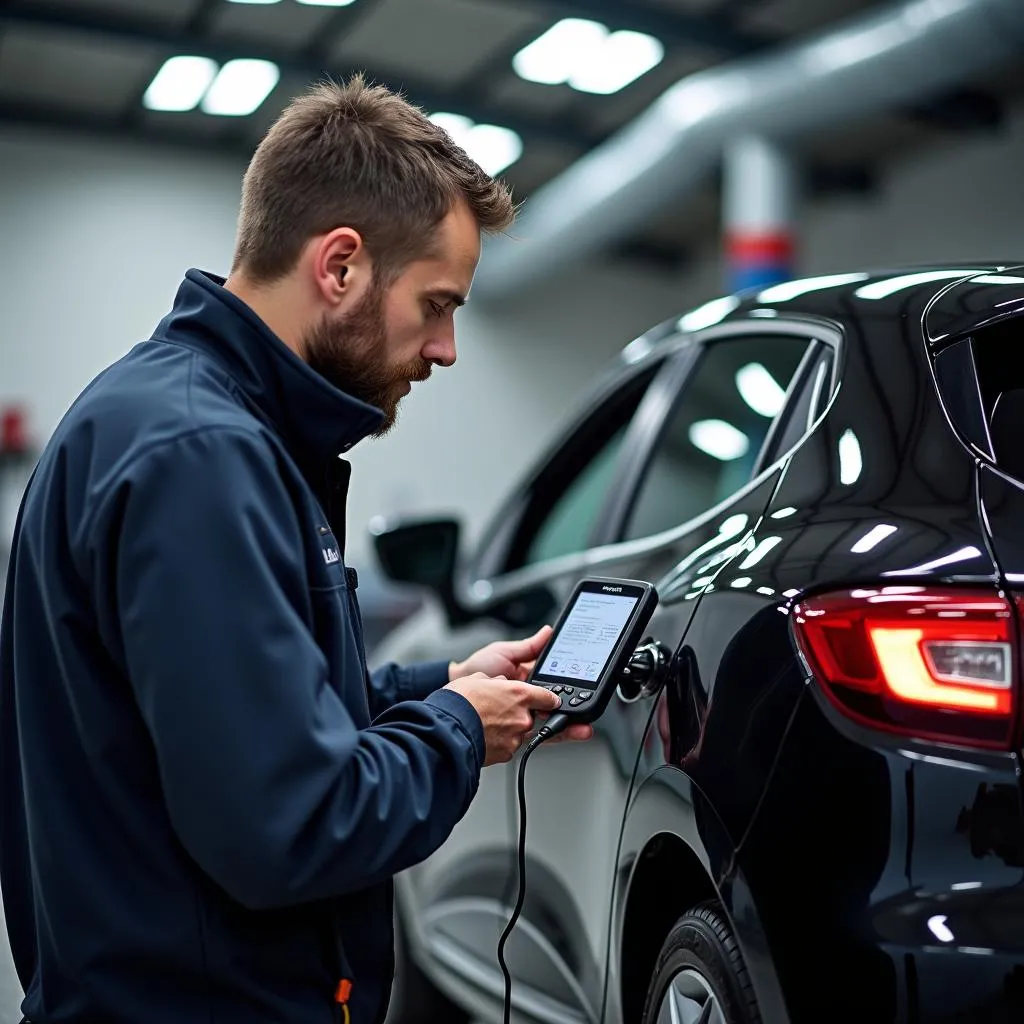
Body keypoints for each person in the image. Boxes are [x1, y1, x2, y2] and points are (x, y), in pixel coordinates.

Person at [0, 75, 592, 1024]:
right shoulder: (202, 461)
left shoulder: (180, 422)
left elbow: (254, 714)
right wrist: (456, 732)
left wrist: (445, 683)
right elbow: (295, 824)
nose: (444, 350)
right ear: (341, 266)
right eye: (437, 304)